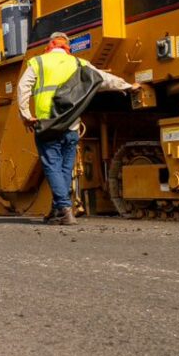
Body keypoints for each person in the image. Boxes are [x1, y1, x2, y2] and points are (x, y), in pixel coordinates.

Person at [18, 32, 137, 226]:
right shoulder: (79, 63)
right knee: (65, 169)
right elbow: (102, 78)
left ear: (49, 44)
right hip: (71, 125)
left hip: (48, 124)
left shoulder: (38, 62)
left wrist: (25, 114)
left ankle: (65, 209)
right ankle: (57, 210)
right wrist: (128, 86)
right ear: (67, 46)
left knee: (52, 166)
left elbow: (23, 87)